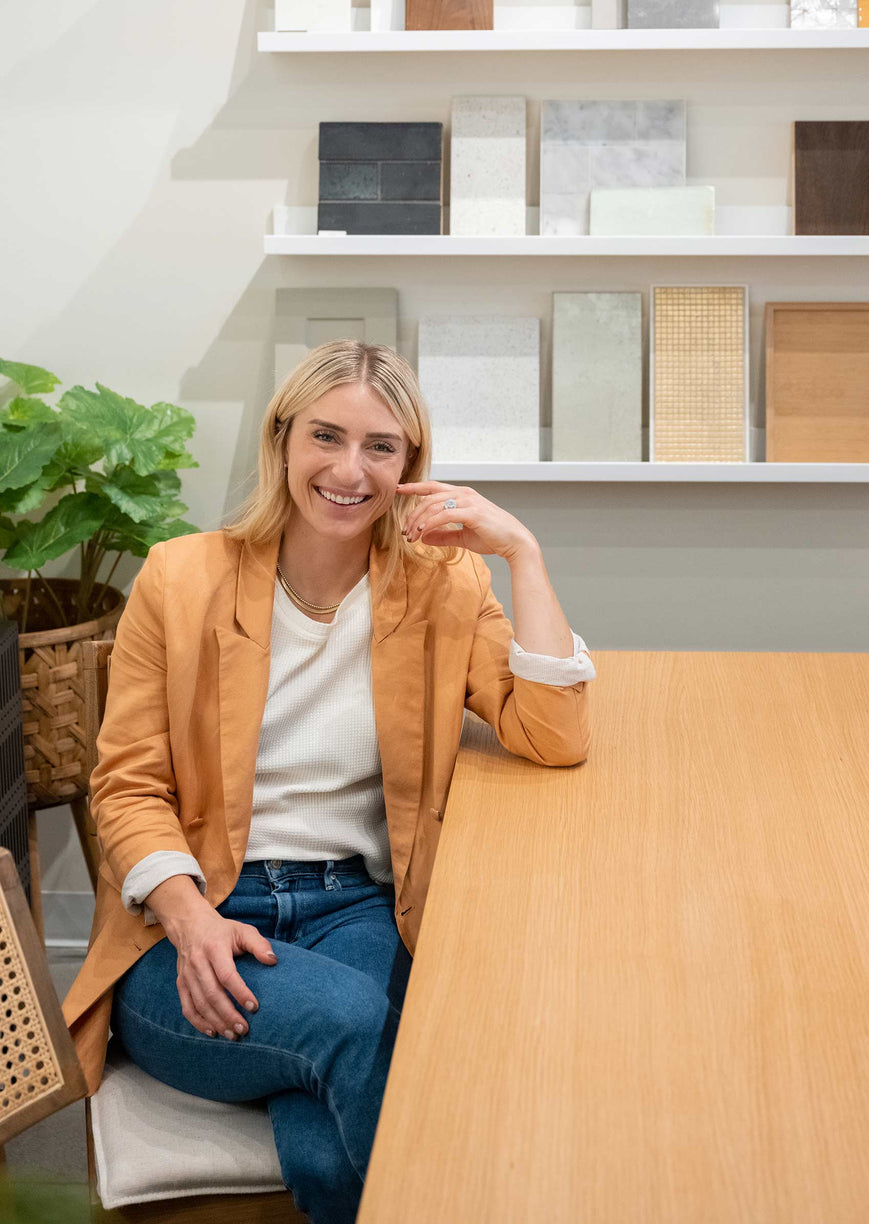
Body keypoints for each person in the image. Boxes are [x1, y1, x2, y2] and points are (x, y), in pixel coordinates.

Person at [63, 340, 595, 1223]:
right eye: (326, 436)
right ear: (281, 439)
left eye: (381, 447)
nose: (351, 471)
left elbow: (554, 733)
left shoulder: (443, 583)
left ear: (410, 464)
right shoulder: (181, 577)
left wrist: (521, 553)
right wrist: (192, 921)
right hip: (189, 919)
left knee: (332, 1104)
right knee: (362, 1026)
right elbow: (126, 786)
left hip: (356, 908)